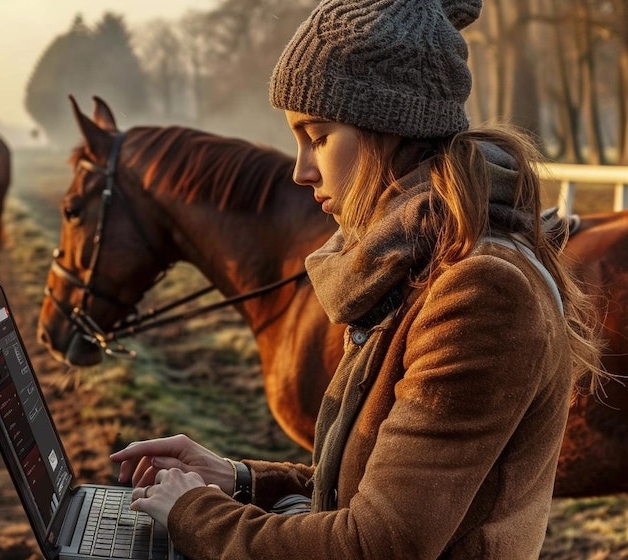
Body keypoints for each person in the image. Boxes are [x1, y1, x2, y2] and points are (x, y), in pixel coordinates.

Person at [109, 0, 607, 558]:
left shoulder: (480, 293)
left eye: (317, 137)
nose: (300, 170)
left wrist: (193, 514)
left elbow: (377, 542)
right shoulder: (412, 266)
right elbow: (372, 494)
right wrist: (239, 481)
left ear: (388, 128)